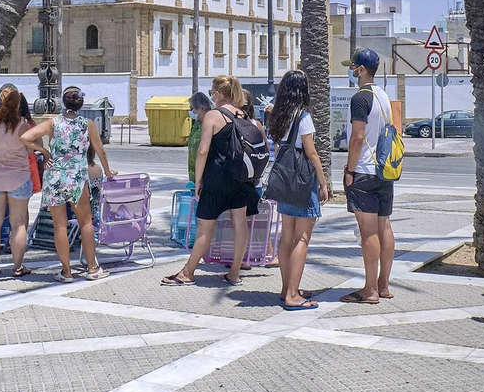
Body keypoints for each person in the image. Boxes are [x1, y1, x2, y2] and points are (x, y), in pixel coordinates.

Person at [162, 76, 262, 288]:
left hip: (216, 179)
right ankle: (234, 274)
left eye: (211, 92)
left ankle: (188, 273)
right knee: (240, 225)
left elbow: (203, 150)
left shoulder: (213, 116)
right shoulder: (242, 114)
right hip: (240, 180)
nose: (211, 95)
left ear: (217, 94)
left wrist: (198, 180)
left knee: (204, 228)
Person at [23, 86, 115, 281]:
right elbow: (100, 150)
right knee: (86, 222)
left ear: (64, 103)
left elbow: (25, 137)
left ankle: (66, 271)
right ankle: (92, 268)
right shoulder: (87, 124)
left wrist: (44, 151)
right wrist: (107, 171)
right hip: (77, 178)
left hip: (55, 177)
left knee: (60, 226)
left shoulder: (53, 123)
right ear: (81, 103)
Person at [266, 71, 330, 310]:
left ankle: (286, 288)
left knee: (286, 235)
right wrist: (323, 183)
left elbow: (277, 144)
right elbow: (311, 152)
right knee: (302, 237)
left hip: (284, 179)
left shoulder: (278, 114)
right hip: (302, 181)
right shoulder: (303, 116)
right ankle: (293, 294)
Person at [342, 50, 397, 304]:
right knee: (384, 226)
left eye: (353, 67)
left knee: (368, 232)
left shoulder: (360, 98)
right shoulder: (384, 96)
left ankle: (370, 289)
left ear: (362, 69)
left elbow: (357, 137)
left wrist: (349, 171)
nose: (352, 71)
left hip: (364, 170)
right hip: (384, 171)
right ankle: (384, 285)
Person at [0, 85, 36, 277]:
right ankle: (18, 266)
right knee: (18, 223)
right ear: (18, 104)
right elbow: (30, 150)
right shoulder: (22, 125)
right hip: (18, 178)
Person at [186, 91, 214, 180]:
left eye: (193, 108)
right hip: (194, 171)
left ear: (201, 107)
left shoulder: (210, 122)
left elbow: (203, 151)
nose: (192, 112)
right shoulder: (197, 123)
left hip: (206, 172)